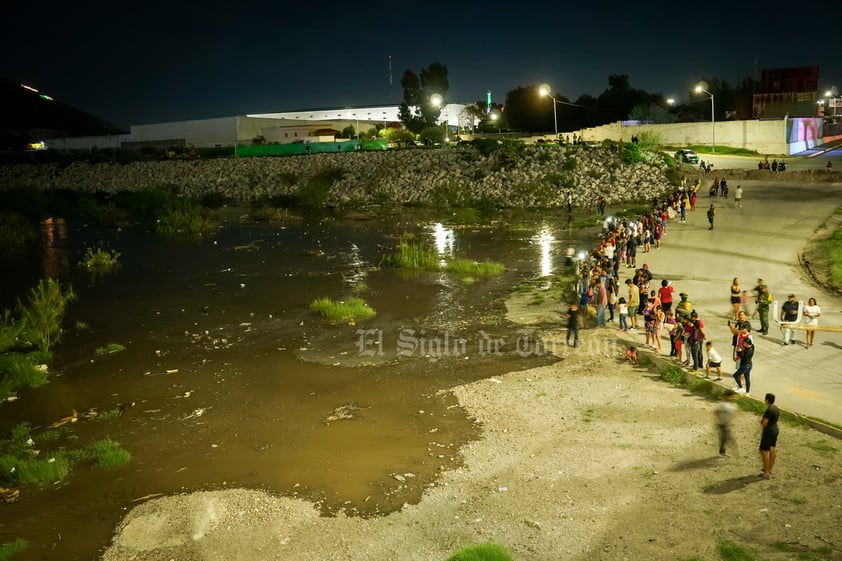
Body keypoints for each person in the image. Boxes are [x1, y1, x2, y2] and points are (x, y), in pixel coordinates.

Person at [759, 393, 780, 480]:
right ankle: (770, 469)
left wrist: (761, 421)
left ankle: (766, 473)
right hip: (775, 430)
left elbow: (764, 423)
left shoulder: (769, 410)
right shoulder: (776, 409)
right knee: (772, 448)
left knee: (764, 451)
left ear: (767, 400)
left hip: (768, 432)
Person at [715, 389, 738, 457]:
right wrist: (720, 420)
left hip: (727, 423)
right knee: (724, 437)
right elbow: (716, 412)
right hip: (723, 423)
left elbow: (733, 412)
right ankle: (722, 453)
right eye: (732, 396)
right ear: (727, 397)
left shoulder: (732, 404)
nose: (733, 398)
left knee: (725, 438)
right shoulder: (722, 404)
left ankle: (723, 452)